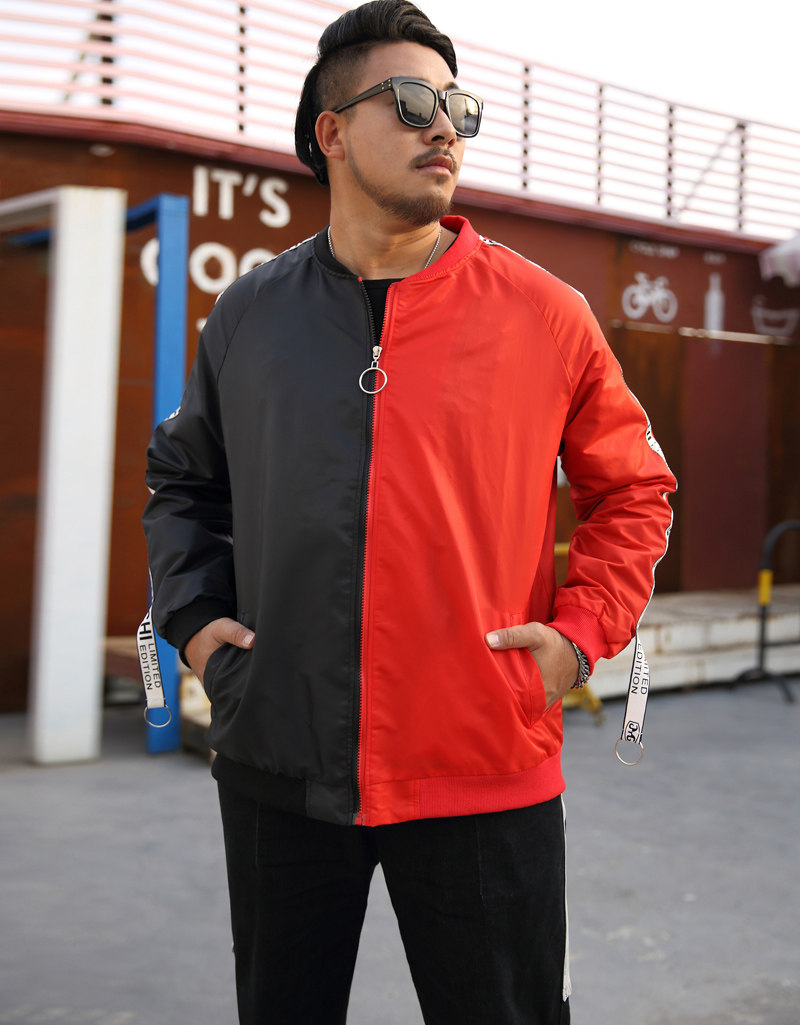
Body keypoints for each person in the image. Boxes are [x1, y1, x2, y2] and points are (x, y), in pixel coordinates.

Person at [142, 2, 676, 1022]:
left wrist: (576, 637)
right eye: (412, 102)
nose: (446, 128)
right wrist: (197, 623)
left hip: (484, 767)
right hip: (278, 761)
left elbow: (633, 487)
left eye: (458, 107)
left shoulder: (545, 314)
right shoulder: (249, 314)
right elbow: (185, 482)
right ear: (332, 131)